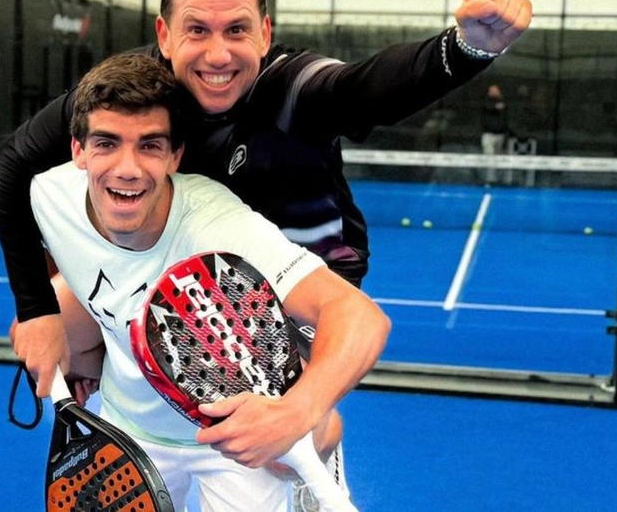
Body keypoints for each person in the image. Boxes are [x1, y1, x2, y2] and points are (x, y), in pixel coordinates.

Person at [0, 0, 531, 394]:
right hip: (183, 275)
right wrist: (36, 307)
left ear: (266, 33)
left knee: (282, 440)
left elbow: (363, 89)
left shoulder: (291, 87)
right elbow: (14, 164)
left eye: (237, 30)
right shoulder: (137, 94)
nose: (218, 55)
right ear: (164, 36)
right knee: (53, 330)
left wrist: (464, 49)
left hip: (297, 297)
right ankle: (109, 401)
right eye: (197, 30)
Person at [28, 53, 389, 510]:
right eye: (106, 143)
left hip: (240, 437)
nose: (127, 168)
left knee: (313, 432)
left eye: (150, 146)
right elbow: (51, 258)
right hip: (129, 430)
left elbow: (360, 316)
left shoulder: (218, 227)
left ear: (176, 156)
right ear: (78, 151)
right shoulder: (48, 192)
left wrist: (298, 412)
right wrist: (45, 325)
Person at [480, 84, 509, 184]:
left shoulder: (503, 101)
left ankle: (497, 179)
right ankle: (489, 180)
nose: (494, 93)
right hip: (488, 135)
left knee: (497, 158)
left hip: (500, 135)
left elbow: (505, 110)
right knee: (489, 157)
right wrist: (497, 106)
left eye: (496, 91)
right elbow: (489, 107)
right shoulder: (485, 101)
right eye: (492, 91)